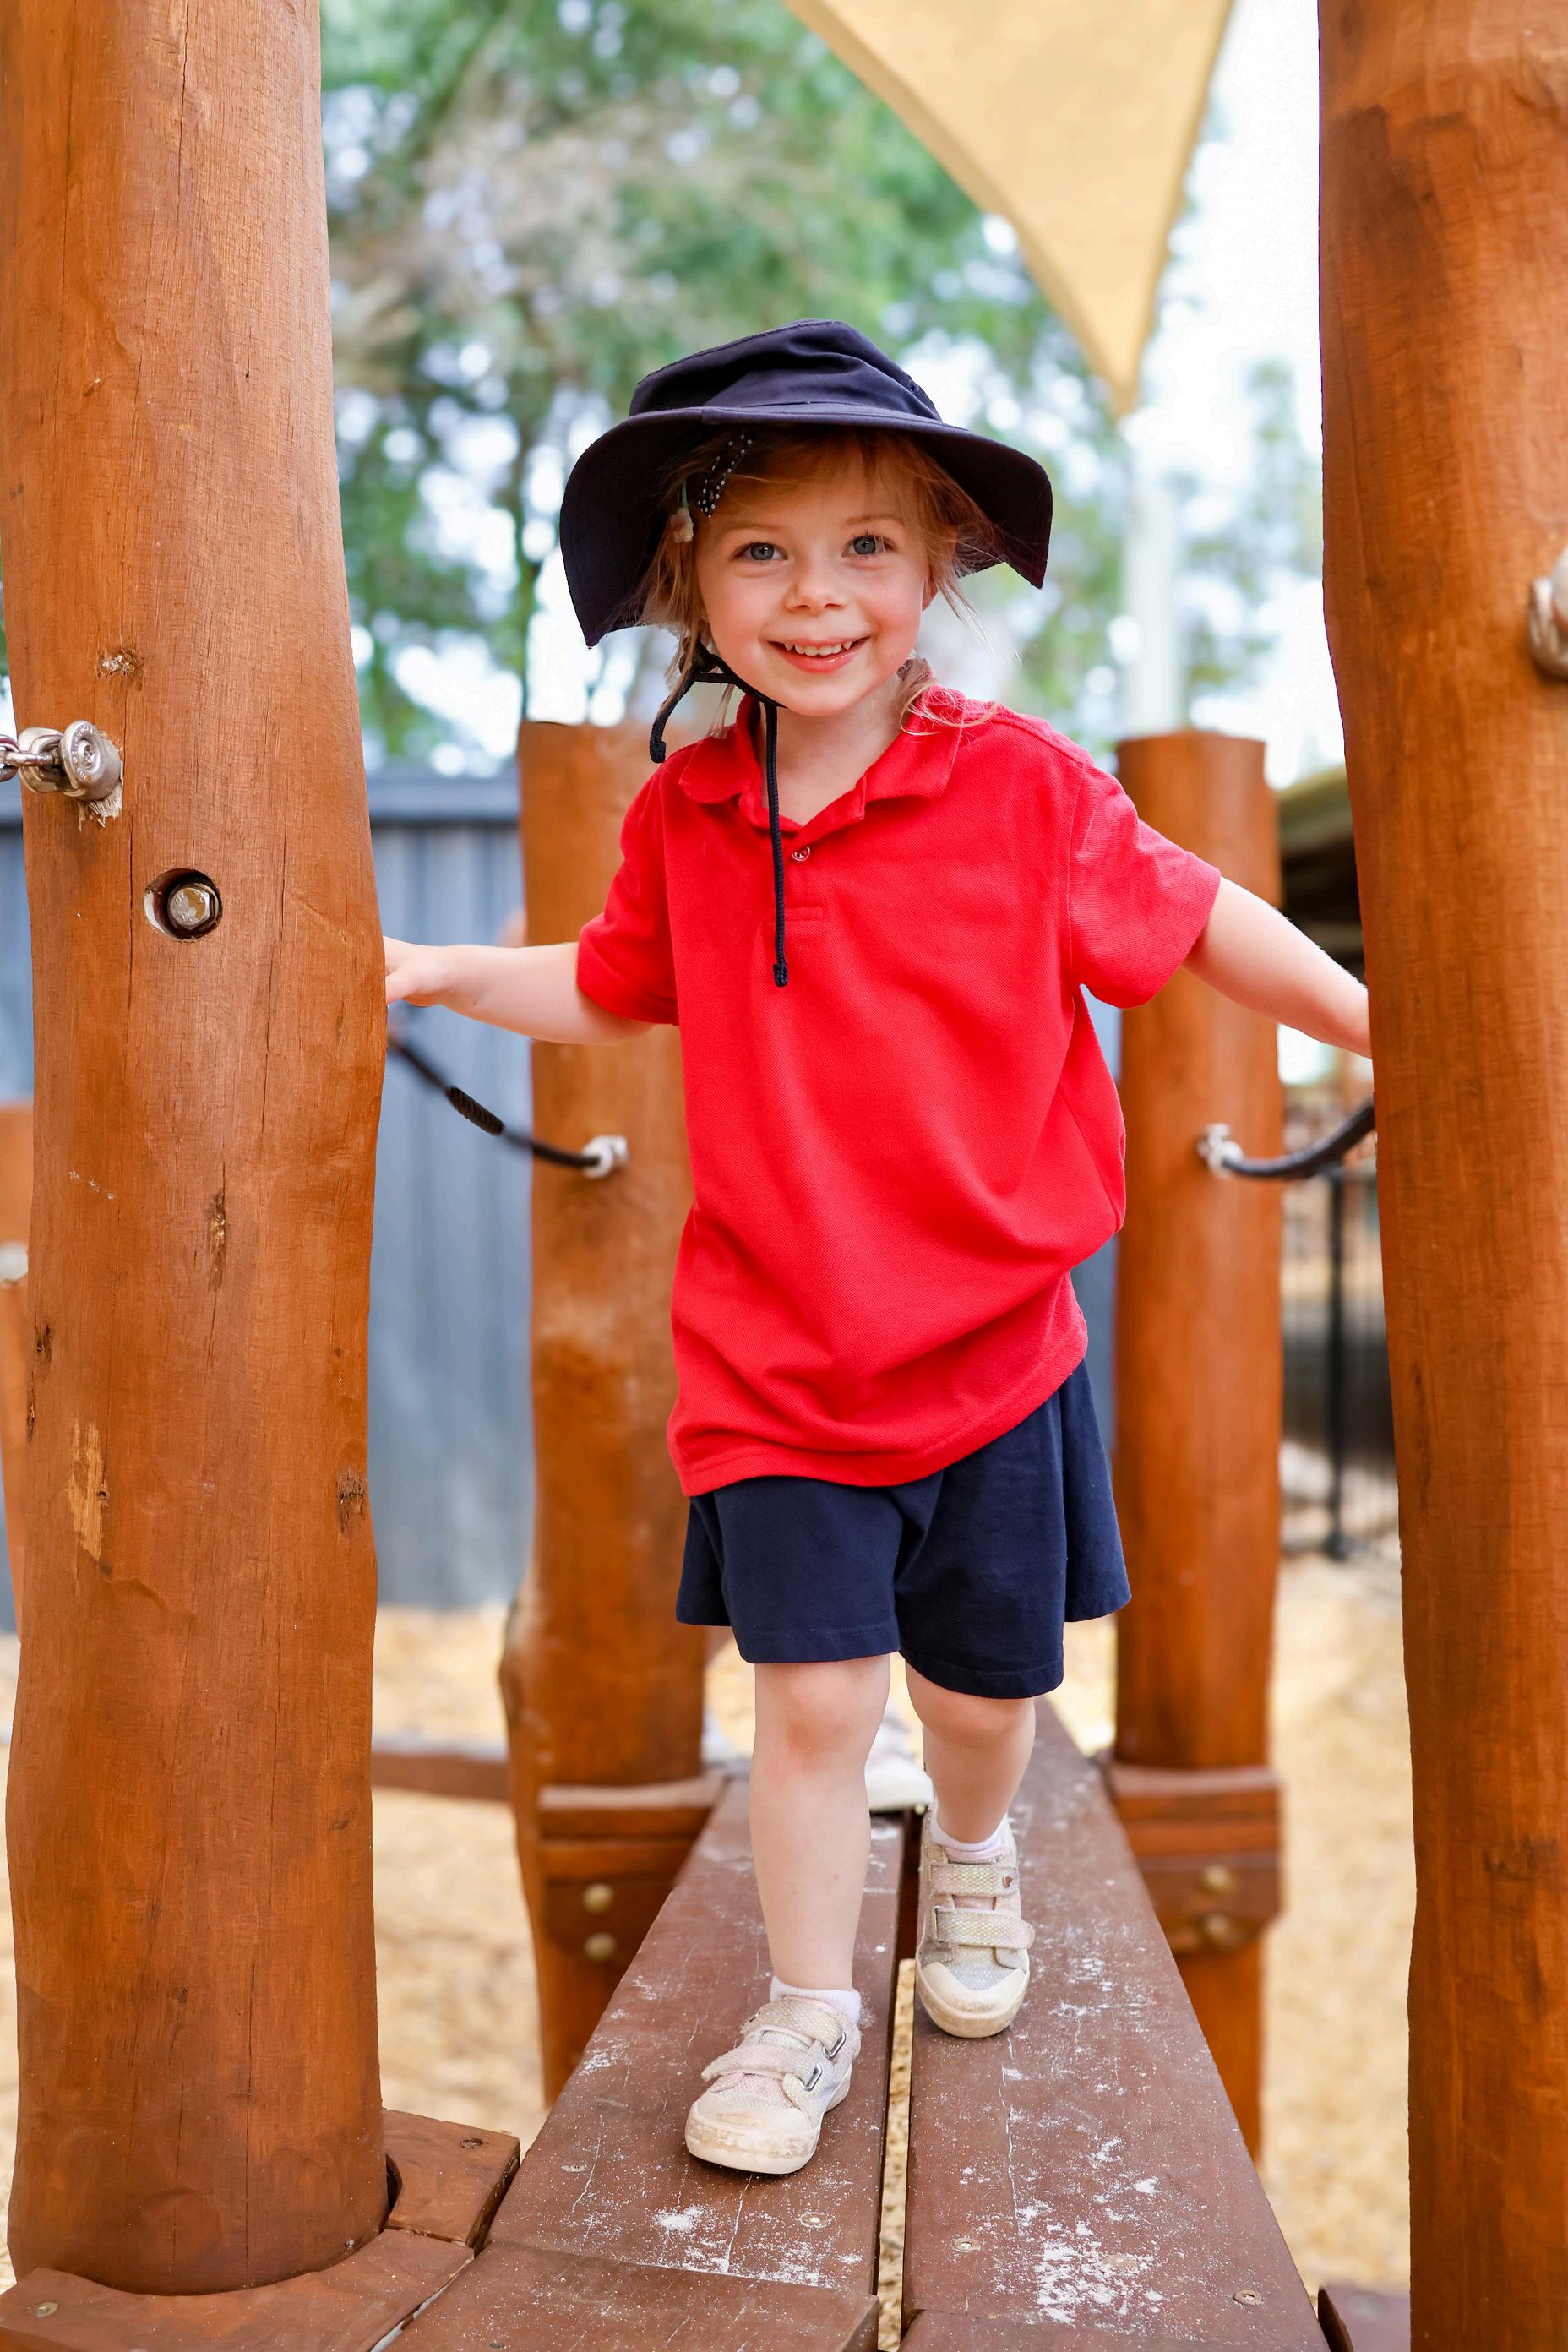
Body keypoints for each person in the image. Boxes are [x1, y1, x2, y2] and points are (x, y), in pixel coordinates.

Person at [384, 320, 1370, 2179]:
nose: (815, 594)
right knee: (817, 1702)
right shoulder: (687, 813)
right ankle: (805, 2010)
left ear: (938, 573)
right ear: (689, 584)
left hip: (991, 1347)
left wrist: (1378, 1023)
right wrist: (437, 969)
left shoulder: (1023, 788)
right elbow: (613, 981)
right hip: (774, 1354)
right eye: (761, 551)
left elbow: (1197, 915)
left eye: (865, 549)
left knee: (980, 1707)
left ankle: (977, 1859)